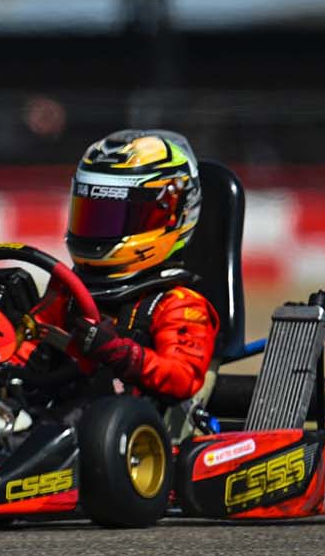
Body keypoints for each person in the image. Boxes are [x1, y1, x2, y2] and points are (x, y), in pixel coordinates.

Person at [60, 129, 219, 406]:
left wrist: (120, 353)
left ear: (169, 214)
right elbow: (30, 350)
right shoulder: (68, 290)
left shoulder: (177, 304)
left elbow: (182, 377)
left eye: (112, 218)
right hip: (61, 415)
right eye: (92, 216)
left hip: (137, 434)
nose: (98, 231)